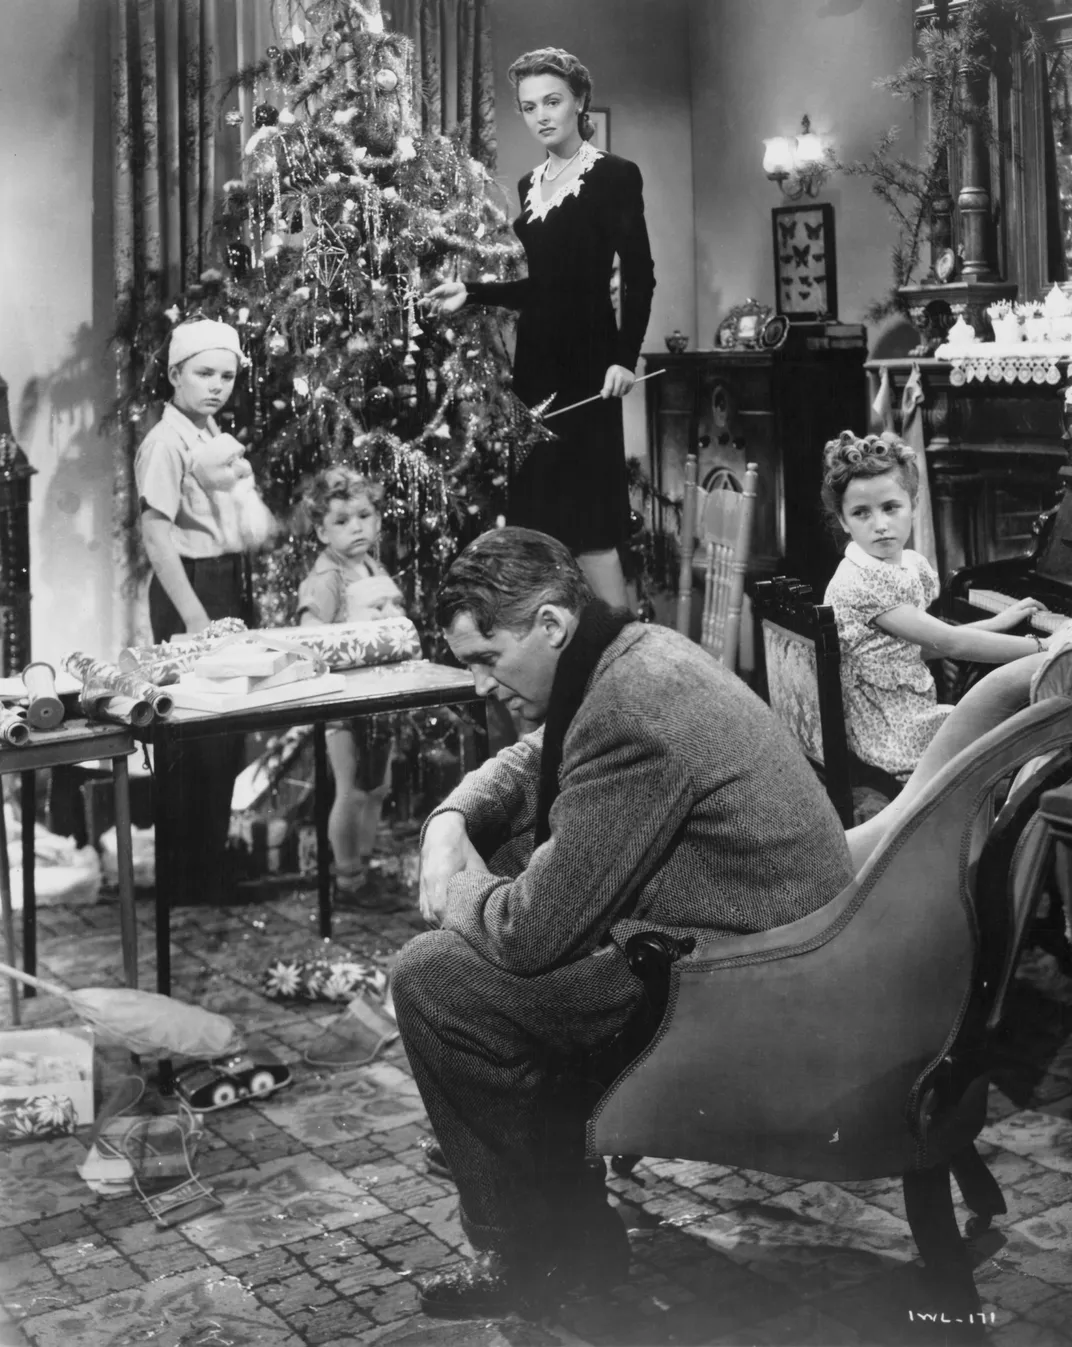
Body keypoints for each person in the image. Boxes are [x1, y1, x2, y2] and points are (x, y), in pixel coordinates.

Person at [391, 526, 855, 1320]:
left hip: (744, 983)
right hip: (750, 949)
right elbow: (540, 756)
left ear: (549, 626)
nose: (477, 684)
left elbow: (528, 934)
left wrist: (457, 885)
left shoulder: (630, 708)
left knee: (435, 979)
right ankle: (564, 1220)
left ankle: (535, 1251)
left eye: (486, 657)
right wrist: (451, 816)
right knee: (476, 974)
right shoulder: (631, 654)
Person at [425, 47, 655, 610]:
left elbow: (641, 277)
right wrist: (471, 293)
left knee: (592, 525)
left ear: (580, 101)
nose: (542, 116)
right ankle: (561, 667)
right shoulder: (530, 185)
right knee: (543, 522)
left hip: (590, 371)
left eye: (552, 101)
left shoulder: (615, 176)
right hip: (535, 373)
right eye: (529, 107)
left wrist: (625, 358)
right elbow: (539, 289)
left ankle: (619, 655)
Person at [822, 430, 1052, 779]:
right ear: (843, 521)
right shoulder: (863, 581)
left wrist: (997, 622)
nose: (880, 525)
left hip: (899, 716)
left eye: (890, 507)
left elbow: (920, 645)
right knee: (1018, 731)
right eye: (861, 513)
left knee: (1013, 728)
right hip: (889, 733)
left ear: (913, 505)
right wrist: (1046, 646)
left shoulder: (896, 567)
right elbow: (948, 642)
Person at [135, 317, 258, 905]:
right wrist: (191, 615)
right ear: (175, 373)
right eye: (203, 373)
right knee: (190, 738)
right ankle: (182, 877)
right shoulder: (166, 442)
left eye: (227, 375)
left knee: (223, 738)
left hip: (223, 583)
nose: (216, 385)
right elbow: (156, 534)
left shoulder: (210, 434)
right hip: (191, 589)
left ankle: (207, 868)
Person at [298, 467, 407, 902]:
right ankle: (348, 877)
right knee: (351, 787)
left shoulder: (370, 565)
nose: (356, 527)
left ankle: (363, 864)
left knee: (377, 785)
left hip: (380, 693)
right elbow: (309, 632)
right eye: (341, 521)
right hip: (347, 700)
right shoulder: (328, 577)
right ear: (322, 533)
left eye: (364, 516)